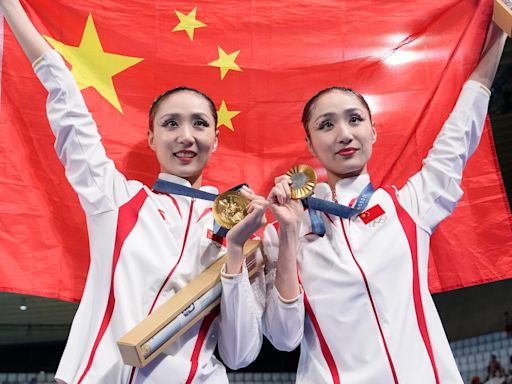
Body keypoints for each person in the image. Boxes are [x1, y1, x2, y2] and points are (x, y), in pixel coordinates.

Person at [0, 1, 268, 383]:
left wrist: (237, 252)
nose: (186, 136)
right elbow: (68, 105)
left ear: (215, 137)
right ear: (151, 137)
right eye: (171, 123)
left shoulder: (241, 227)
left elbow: (240, 354)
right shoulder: (117, 200)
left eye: (199, 124)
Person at [263, 19, 507, 384]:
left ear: (373, 132)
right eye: (326, 125)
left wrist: (500, 29)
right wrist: (287, 235)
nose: (344, 134)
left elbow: (460, 132)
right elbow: (284, 338)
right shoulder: (286, 231)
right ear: (311, 145)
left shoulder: (409, 207)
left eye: (354, 119)